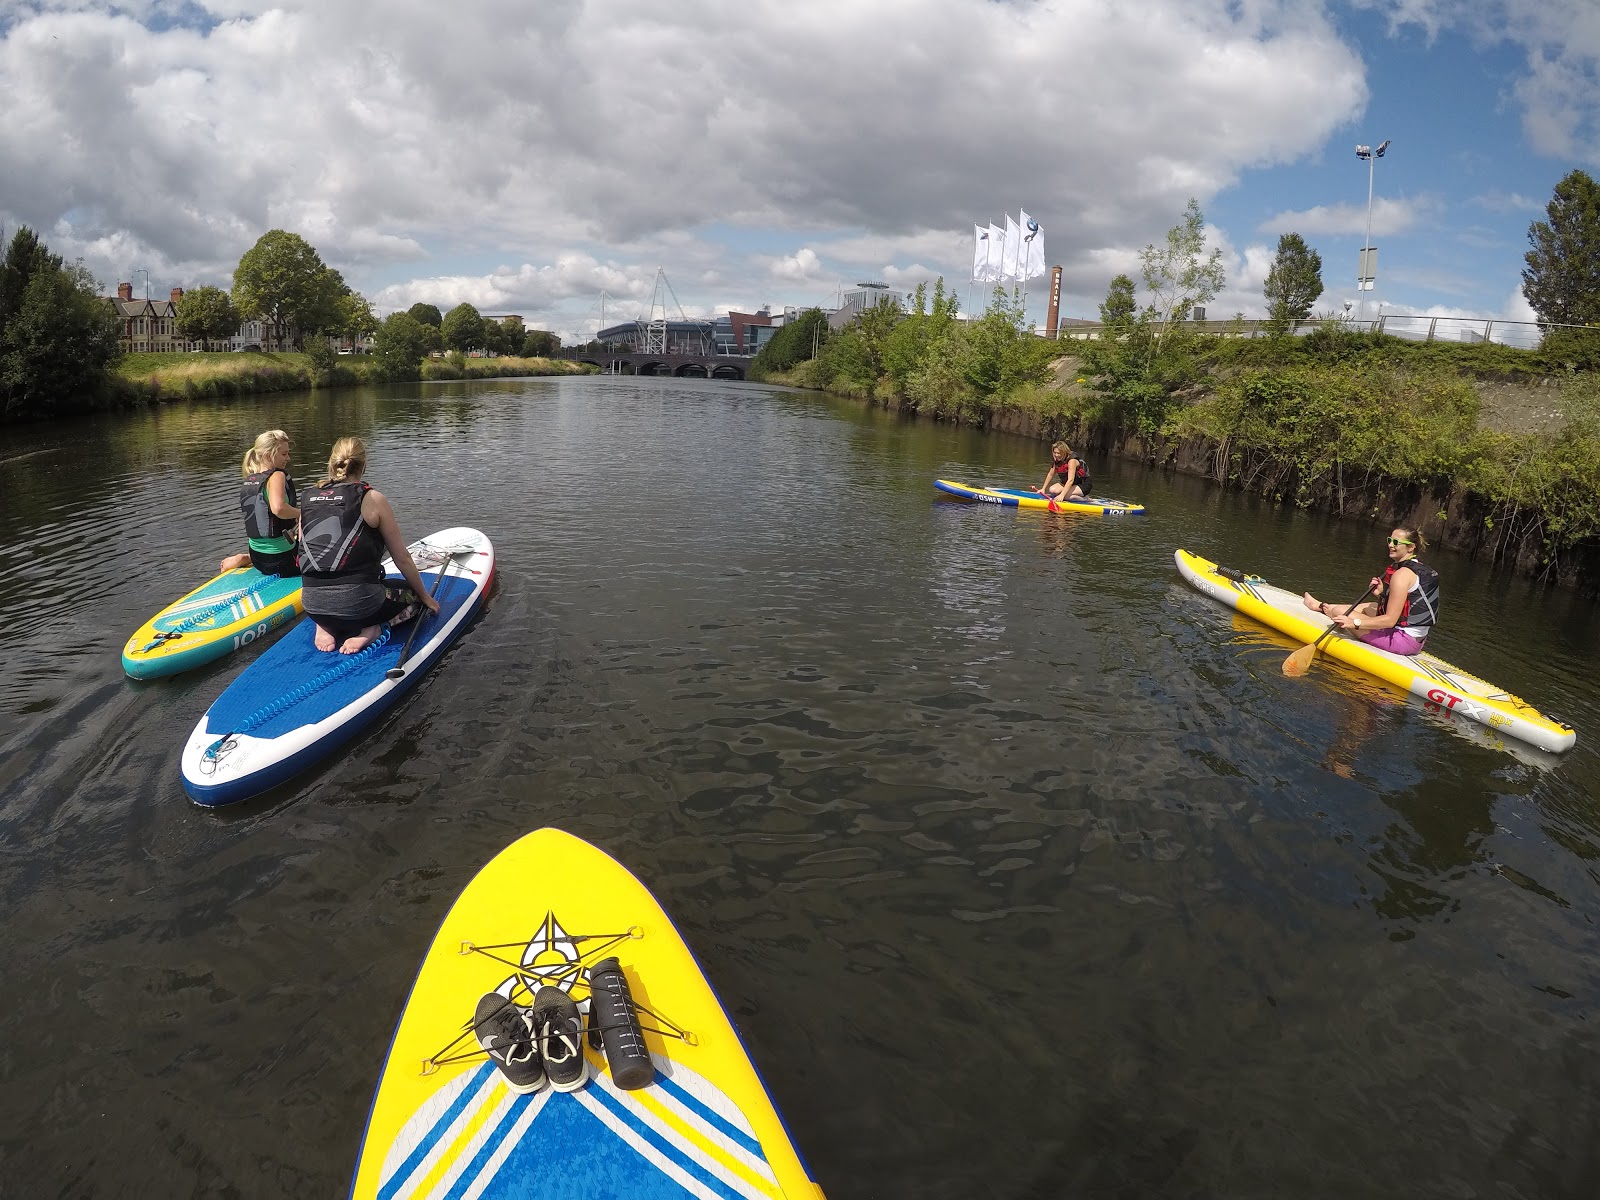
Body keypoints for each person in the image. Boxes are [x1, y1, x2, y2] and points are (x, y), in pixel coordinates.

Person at [297, 436, 439, 654]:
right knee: (414, 599)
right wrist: (426, 597)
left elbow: (305, 552)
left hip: (312, 604)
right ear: (363, 465)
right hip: (361, 604)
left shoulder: (307, 498)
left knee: (330, 586)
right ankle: (373, 630)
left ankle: (324, 626)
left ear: (332, 463)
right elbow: (402, 557)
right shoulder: (372, 498)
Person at [1302, 525, 1441, 656]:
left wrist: (1354, 624)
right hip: (1416, 639)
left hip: (1402, 641)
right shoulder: (1415, 568)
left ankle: (1328, 609)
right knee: (1370, 606)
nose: (1390, 545)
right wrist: (1381, 594)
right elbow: (1407, 605)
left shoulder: (1401, 575)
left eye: (1396, 542)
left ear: (1410, 547)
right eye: (1389, 540)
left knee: (1340, 612)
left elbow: (1390, 620)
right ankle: (1321, 606)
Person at [221, 429, 302, 575]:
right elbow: (279, 509)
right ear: (267, 455)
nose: (288, 458)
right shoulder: (277, 475)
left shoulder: (251, 478)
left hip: (259, 559)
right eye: (284, 454)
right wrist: (303, 514)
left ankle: (246, 558)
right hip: (283, 560)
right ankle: (246, 558)